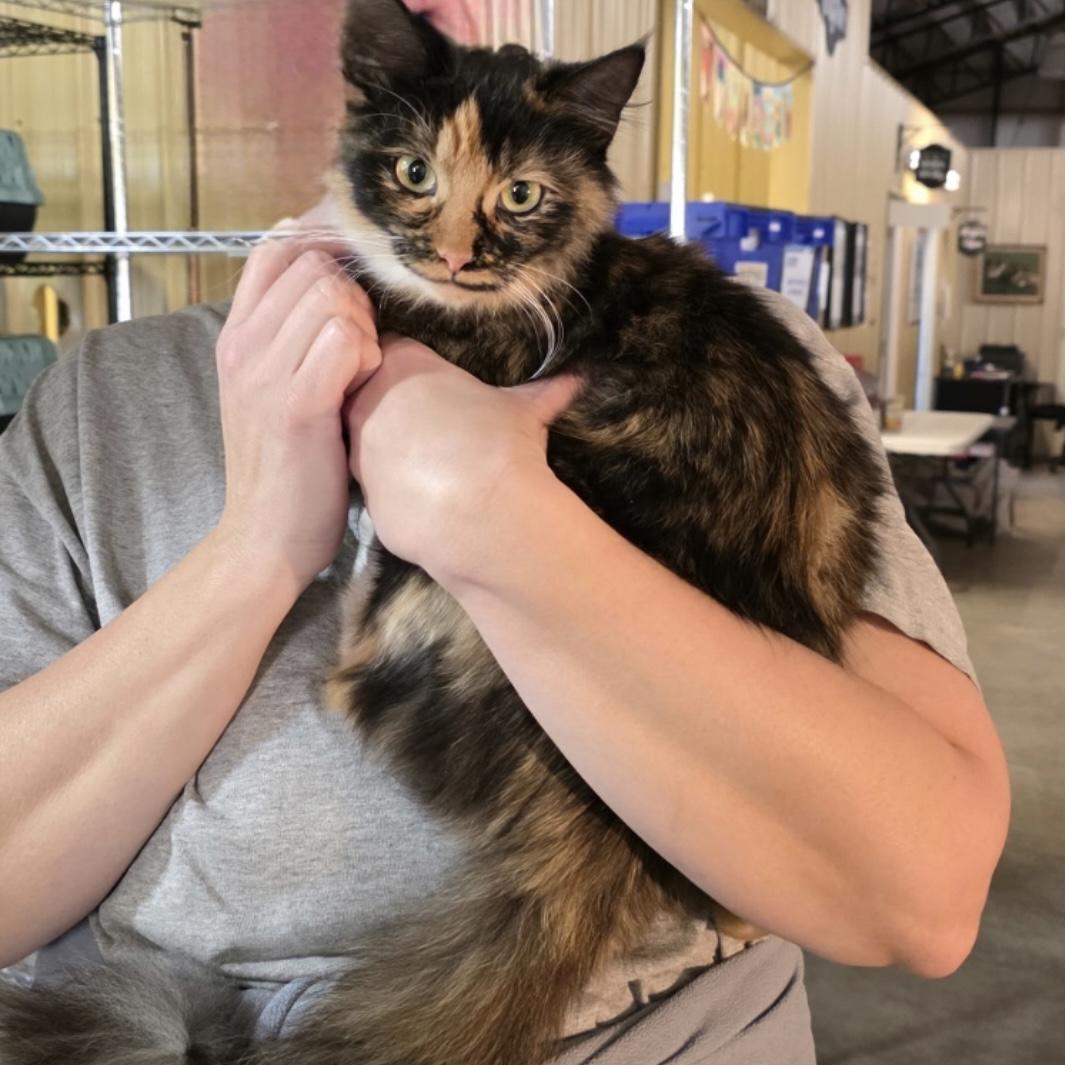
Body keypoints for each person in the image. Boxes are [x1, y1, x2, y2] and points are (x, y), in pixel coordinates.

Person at [0, 4, 1009, 1063]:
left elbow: (925, 899)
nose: (453, 245)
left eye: (517, 197)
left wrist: (487, 511)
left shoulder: (752, 354)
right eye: (421, 181)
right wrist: (259, 544)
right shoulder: (100, 400)